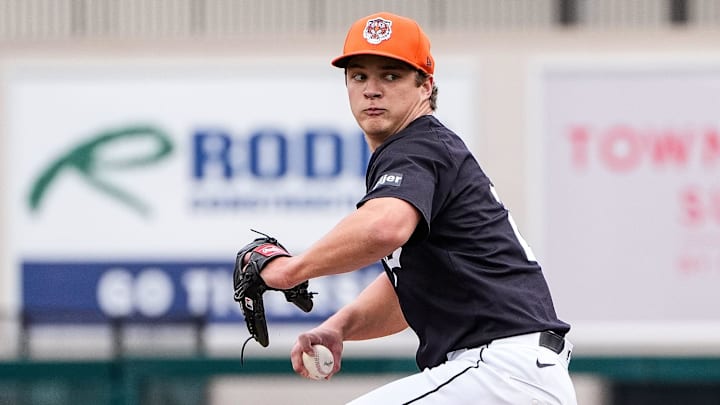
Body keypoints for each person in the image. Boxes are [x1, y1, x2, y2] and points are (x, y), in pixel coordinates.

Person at [257, 11, 577, 404]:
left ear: (425, 85)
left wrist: (290, 270)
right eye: (359, 76)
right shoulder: (425, 150)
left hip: (499, 372)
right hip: (517, 377)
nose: (372, 89)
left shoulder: (417, 147)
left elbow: (383, 228)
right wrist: (339, 327)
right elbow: (409, 289)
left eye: (390, 76)